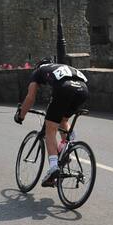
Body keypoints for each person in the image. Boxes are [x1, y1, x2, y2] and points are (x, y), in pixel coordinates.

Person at [15, 58, 89, 187]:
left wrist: (21, 116)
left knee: (50, 130)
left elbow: (30, 97)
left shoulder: (39, 71)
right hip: (83, 90)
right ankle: (67, 146)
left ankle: (53, 167)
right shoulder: (60, 66)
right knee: (63, 119)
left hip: (64, 88)